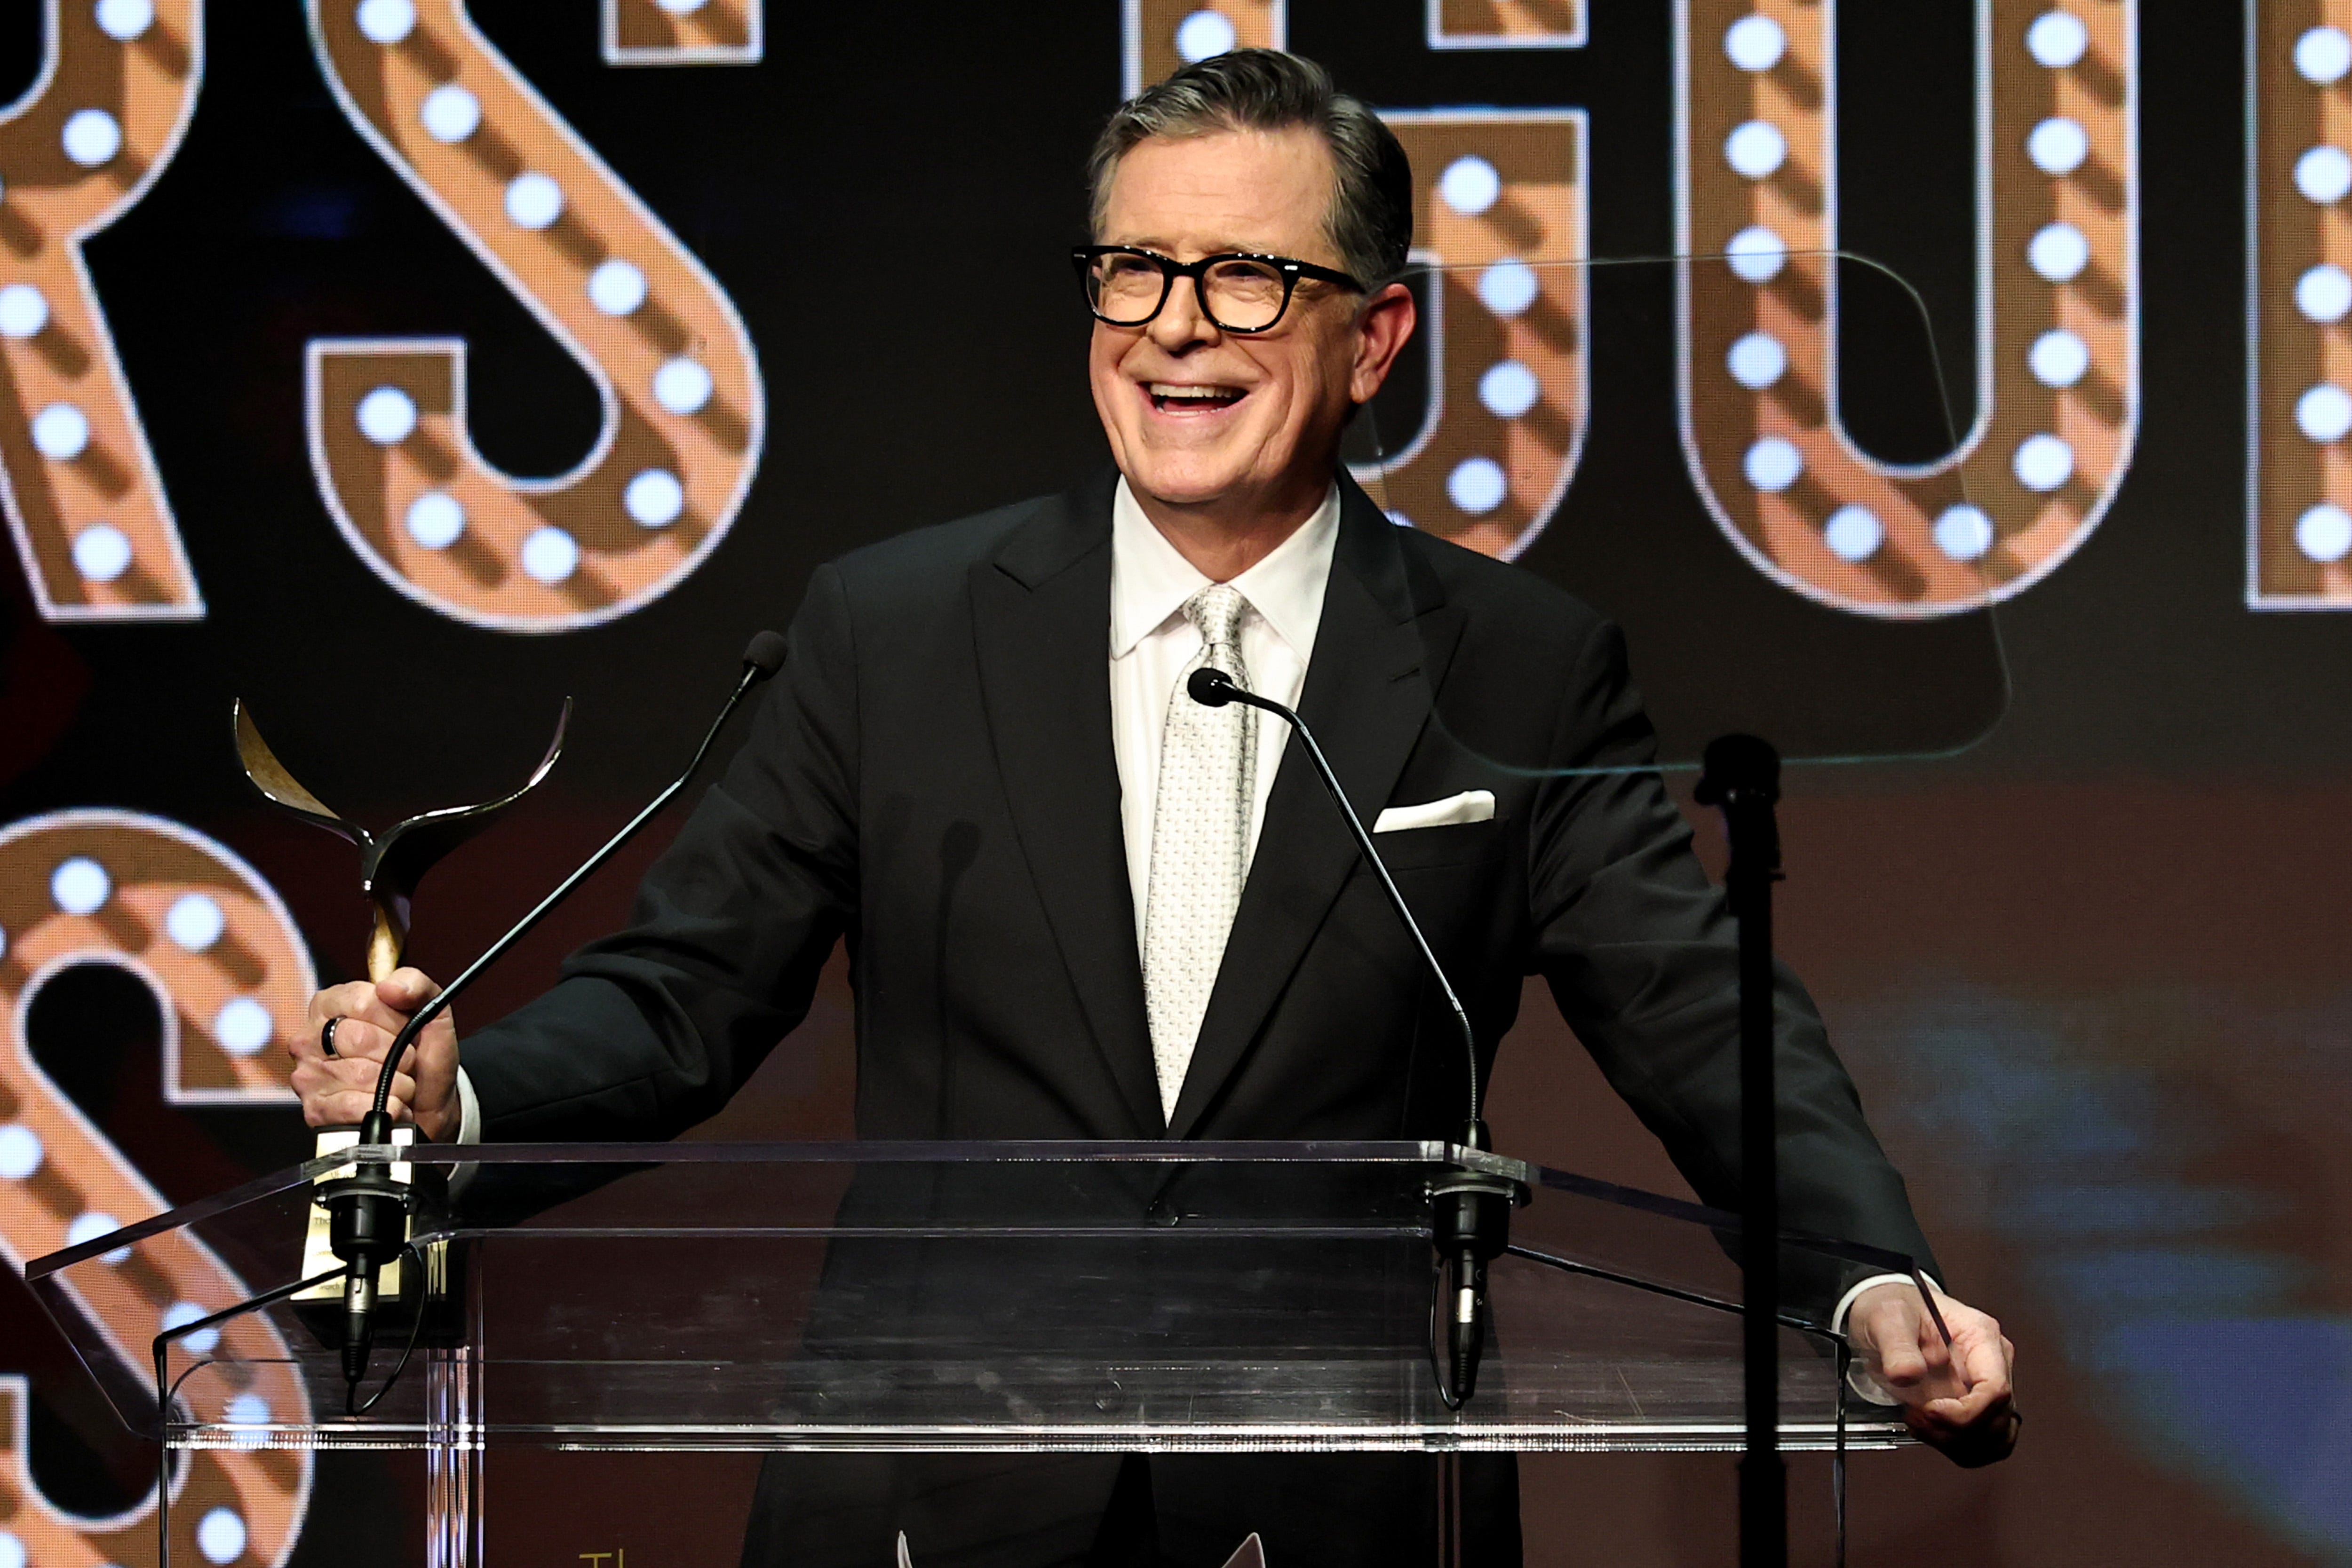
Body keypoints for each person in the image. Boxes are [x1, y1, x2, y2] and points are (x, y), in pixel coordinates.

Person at [289, 48, 2016, 1564]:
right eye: (1133, 273)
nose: (1176, 328)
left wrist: (1870, 1279)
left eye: (1251, 277)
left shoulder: (1514, 669)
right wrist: (459, 1099)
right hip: (928, 1492)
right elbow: (684, 994)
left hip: (1337, 1500)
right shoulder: (892, 631)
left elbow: (1698, 1017)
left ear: (1375, 337)